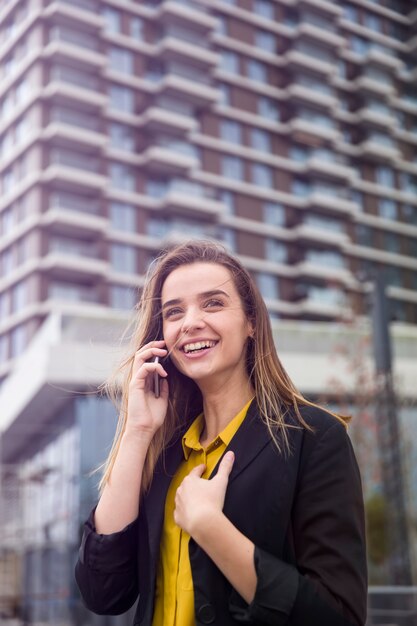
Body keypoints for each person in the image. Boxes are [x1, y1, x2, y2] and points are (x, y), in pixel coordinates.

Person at [75, 240, 367, 626]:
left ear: (250, 322)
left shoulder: (313, 438)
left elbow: (338, 616)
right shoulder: (163, 453)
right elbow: (102, 592)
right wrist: (137, 430)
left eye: (213, 303)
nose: (190, 322)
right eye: (174, 311)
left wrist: (210, 527)